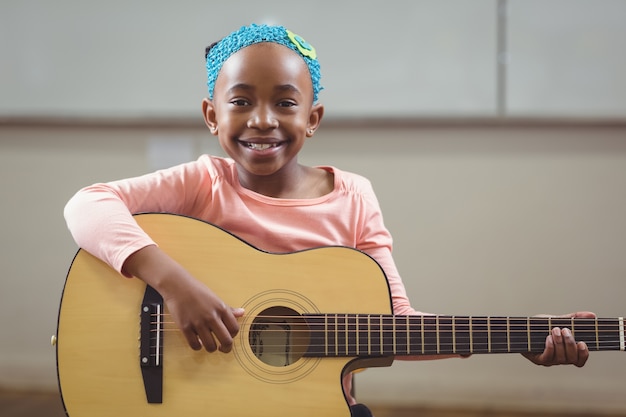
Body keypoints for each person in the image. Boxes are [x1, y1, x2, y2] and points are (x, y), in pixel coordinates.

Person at [64, 23, 595, 416]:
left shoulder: (354, 197)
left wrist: (521, 339)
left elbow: (397, 325)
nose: (263, 120)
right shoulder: (204, 182)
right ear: (212, 116)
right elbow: (87, 204)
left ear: (312, 118)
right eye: (241, 101)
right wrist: (176, 284)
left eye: (285, 103)